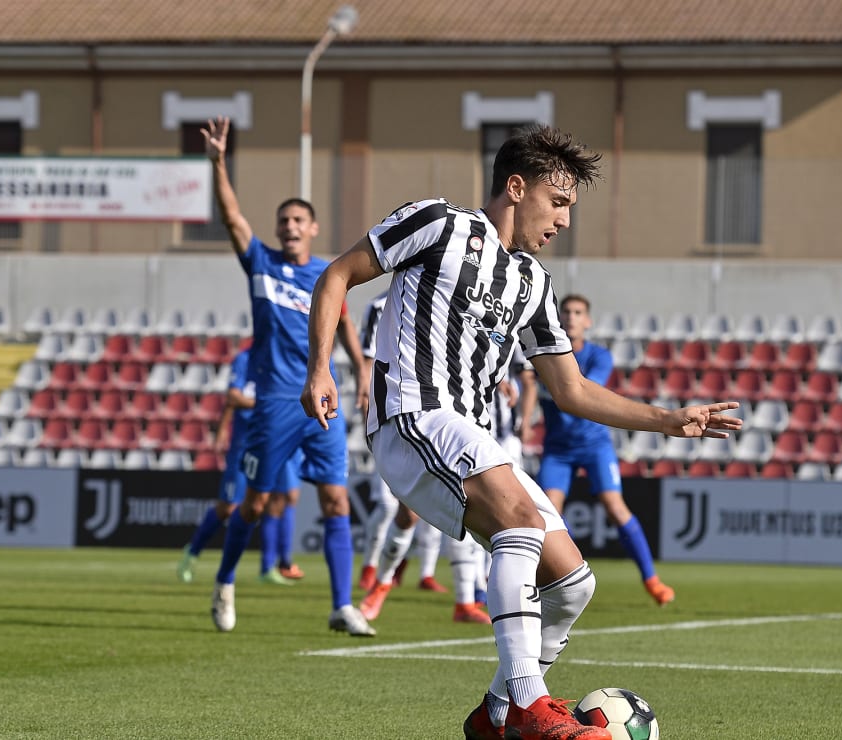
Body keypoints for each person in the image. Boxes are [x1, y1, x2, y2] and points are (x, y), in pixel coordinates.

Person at [303, 124, 741, 740]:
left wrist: (667, 419)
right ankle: (530, 706)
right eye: (558, 202)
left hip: (472, 436)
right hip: (413, 416)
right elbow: (337, 276)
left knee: (572, 584)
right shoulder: (439, 224)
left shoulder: (533, 282)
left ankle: (496, 713)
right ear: (516, 187)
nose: (564, 220)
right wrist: (320, 367)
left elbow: (572, 389)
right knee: (521, 520)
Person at [201, 116, 374, 637]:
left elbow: (344, 324)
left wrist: (361, 370)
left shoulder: (328, 275)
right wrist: (218, 163)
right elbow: (232, 218)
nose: (290, 226)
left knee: (336, 499)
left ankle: (342, 605)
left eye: (299, 219)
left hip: (322, 400)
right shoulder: (261, 263)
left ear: (313, 228)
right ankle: (225, 581)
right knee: (254, 504)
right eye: (284, 220)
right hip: (275, 402)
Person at [519, 294, 674, 606]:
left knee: (615, 508)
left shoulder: (599, 356)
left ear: (587, 321)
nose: (571, 317)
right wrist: (525, 418)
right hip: (558, 448)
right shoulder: (539, 355)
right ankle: (563, 578)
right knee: (549, 515)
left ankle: (651, 580)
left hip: (594, 445)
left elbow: (584, 392)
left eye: (578, 313)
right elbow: (528, 386)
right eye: (566, 312)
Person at [176, 346, 304, 587]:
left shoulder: (284, 359)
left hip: (276, 441)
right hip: (245, 444)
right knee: (228, 507)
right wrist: (266, 406)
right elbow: (233, 397)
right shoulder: (245, 359)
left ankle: (269, 567)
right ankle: (192, 552)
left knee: (280, 499)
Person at [356, 289, 448, 595]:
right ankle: (371, 566)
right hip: (388, 415)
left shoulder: (443, 299)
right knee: (387, 505)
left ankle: (425, 572)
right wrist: (367, 412)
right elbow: (366, 362)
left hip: (432, 413)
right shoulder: (379, 306)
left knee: (432, 505)